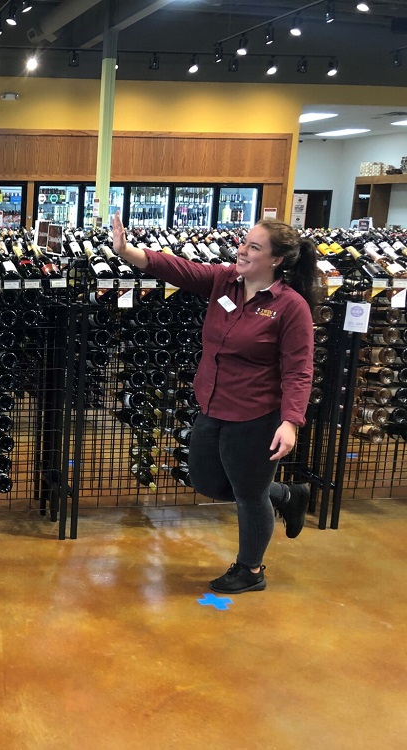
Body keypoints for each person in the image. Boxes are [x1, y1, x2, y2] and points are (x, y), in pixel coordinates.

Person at [111, 211, 315, 594]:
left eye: (254, 247)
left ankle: (251, 570)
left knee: (248, 495)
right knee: (207, 480)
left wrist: (290, 421)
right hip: (212, 403)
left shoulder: (291, 307)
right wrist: (127, 251)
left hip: (256, 414)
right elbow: (180, 269)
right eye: (244, 242)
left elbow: (299, 370)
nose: (242, 251)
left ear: (276, 259)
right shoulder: (225, 281)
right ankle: (286, 495)